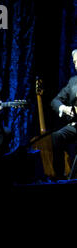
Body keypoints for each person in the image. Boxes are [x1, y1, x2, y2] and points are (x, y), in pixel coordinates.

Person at [50, 49, 77, 179]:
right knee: (56, 136)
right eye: (75, 62)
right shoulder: (73, 82)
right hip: (75, 126)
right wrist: (64, 108)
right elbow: (55, 101)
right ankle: (59, 178)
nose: (76, 65)